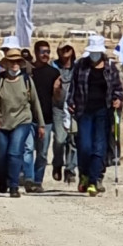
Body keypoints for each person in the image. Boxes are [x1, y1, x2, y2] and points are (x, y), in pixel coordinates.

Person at [67, 35, 123, 196]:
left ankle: (94, 180)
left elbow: (118, 88)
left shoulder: (110, 67)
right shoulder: (80, 66)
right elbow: (73, 87)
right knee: (84, 146)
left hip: (103, 112)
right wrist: (70, 102)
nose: (94, 56)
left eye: (97, 52)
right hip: (84, 111)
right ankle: (84, 174)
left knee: (99, 147)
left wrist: (118, 100)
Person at [0, 49, 45, 199]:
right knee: (1, 156)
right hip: (1, 122)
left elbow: (35, 102)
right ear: (6, 63)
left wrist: (41, 124)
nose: (15, 64)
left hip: (22, 121)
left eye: (17, 61)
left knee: (15, 152)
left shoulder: (26, 81)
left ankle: (14, 186)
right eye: (12, 61)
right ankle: (2, 178)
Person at [29, 40, 60, 191]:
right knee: (26, 149)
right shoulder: (28, 72)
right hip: (28, 118)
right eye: (42, 52)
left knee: (41, 153)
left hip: (46, 120)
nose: (45, 55)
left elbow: (58, 98)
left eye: (48, 52)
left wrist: (58, 90)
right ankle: (26, 177)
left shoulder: (54, 73)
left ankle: (37, 181)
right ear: (36, 53)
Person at [52, 43, 78, 183]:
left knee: (73, 139)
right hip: (58, 107)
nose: (66, 51)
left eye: (68, 48)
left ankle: (70, 169)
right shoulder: (53, 67)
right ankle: (57, 163)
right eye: (63, 49)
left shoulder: (78, 67)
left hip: (74, 106)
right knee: (60, 139)